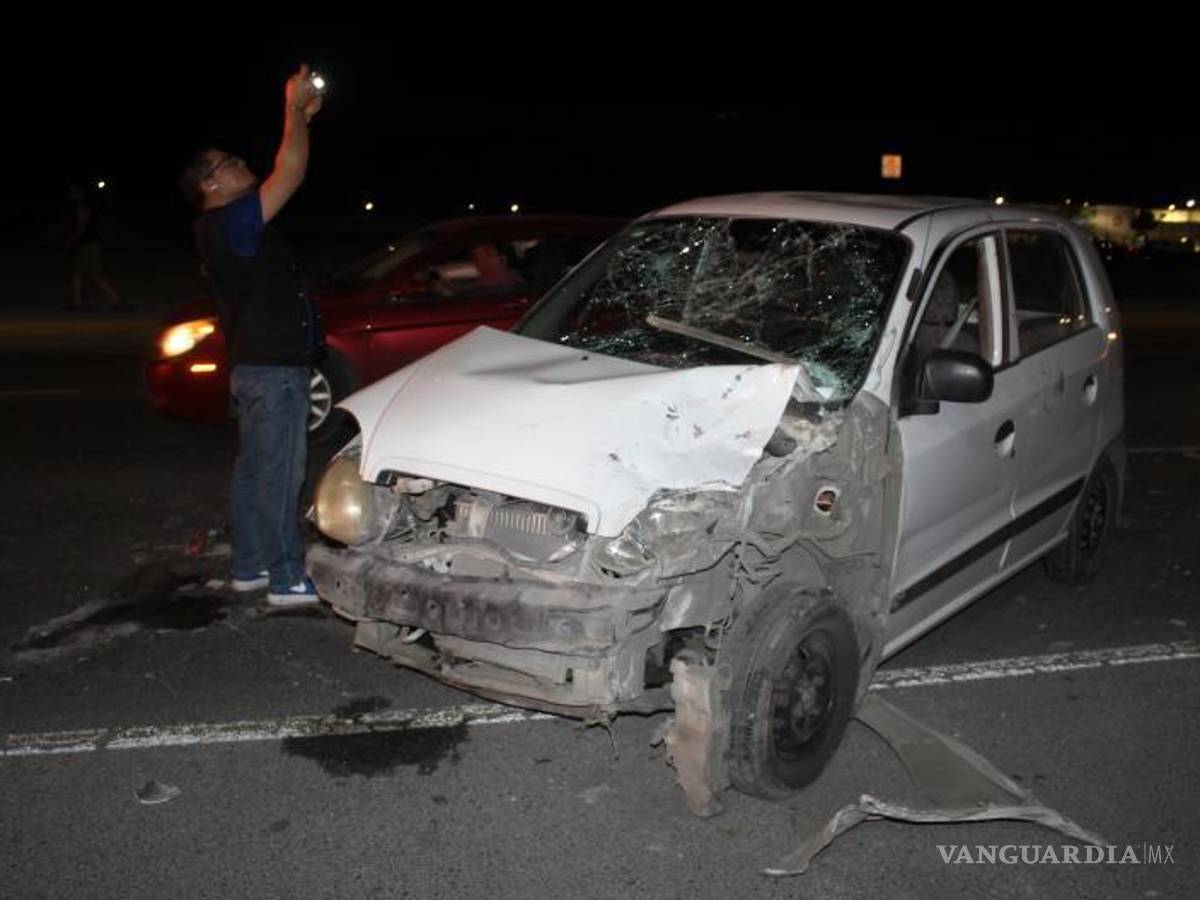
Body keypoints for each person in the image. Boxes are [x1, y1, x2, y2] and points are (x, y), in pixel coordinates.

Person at [177, 64, 325, 606]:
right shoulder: (231, 221)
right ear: (210, 185)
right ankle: (285, 576)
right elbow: (291, 171)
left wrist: (301, 117)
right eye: (229, 163)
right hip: (272, 370)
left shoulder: (224, 226)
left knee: (254, 470)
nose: (242, 163)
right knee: (280, 473)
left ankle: (250, 565)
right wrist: (292, 109)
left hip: (255, 367)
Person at [65, 185, 123, 310]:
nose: (71, 195)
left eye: (74, 193)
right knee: (78, 272)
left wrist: (71, 241)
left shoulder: (83, 206)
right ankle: (77, 302)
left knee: (94, 274)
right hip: (87, 244)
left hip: (89, 245)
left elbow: (82, 226)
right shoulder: (82, 206)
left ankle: (116, 298)